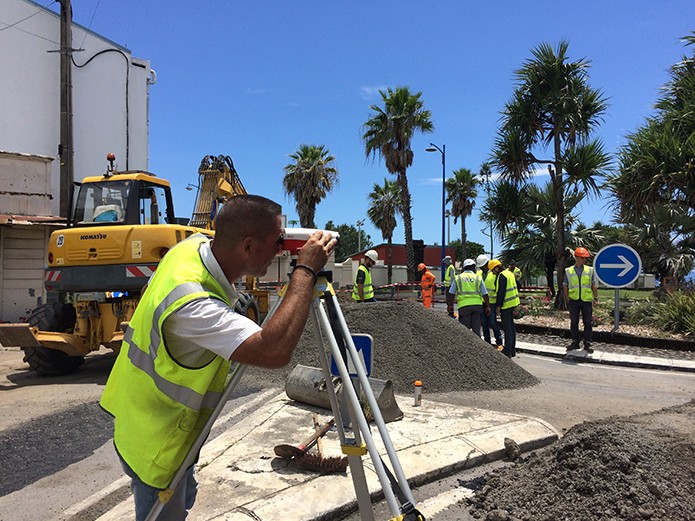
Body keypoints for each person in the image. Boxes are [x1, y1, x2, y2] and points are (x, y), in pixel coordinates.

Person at [100, 195, 337, 521]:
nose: (282, 249)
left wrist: (284, 234)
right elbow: (274, 350)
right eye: (277, 241)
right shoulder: (192, 303)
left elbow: (242, 227)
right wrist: (306, 269)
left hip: (141, 420)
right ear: (249, 246)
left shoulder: (189, 248)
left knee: (186, 496)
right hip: (157, 446)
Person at [564, 247, 599, 353]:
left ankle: (587, 343)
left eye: (585, 258)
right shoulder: (568, 271)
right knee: (574, 322)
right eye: (582, 258)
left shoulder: (590, 270)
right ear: (576, 257)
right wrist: (567, 300)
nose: (584, 260)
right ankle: (575, 342)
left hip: (586, 300)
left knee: (587, 322)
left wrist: (596, 298)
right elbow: (565, 285)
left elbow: (594, 285)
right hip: (574, 300)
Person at [447, 258, 490, 337]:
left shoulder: (458, 278)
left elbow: (451, 293)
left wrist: (450, 305)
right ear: (473, 267)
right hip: (477, 306)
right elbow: (485, 294)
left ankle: (466, 348)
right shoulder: (478, 278)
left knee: (465, 332)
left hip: (464, 307)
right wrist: (487, 306)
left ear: (464, 267)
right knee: (476, 330)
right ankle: (478, 348)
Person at [491, 259, 520, 358]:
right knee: (511, 327)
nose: (493, 273)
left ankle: (507, 350)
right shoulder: (509, 273)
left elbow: (501, 292)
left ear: (496, 268)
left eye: (493, 270)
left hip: (506, 305)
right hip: (514, 303)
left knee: (507, 327)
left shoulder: (502, 276)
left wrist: (498, 306)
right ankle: (512, 349)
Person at [477, 254, 504, 350]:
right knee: (484, 323)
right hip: (482, 302)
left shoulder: (494, 274)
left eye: (483, 266)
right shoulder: (479, 274)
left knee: (492, 323)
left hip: (492, 303)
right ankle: (487, 341)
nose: (482, 268)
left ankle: (499, 341)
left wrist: (498, 305)